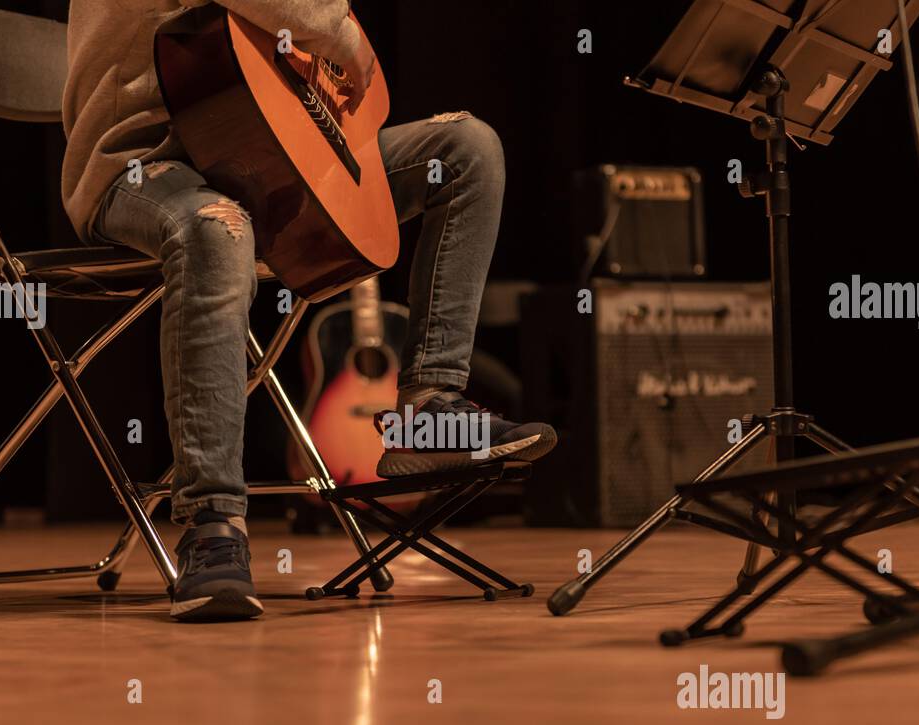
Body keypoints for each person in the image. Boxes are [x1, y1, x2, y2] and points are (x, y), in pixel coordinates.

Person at [62, 1, 556, 621]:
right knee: (215, 230)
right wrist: (341, 36)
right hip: (139, 163)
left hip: (260, 151)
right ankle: (212, 525)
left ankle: (429, 411)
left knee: (468, 151)